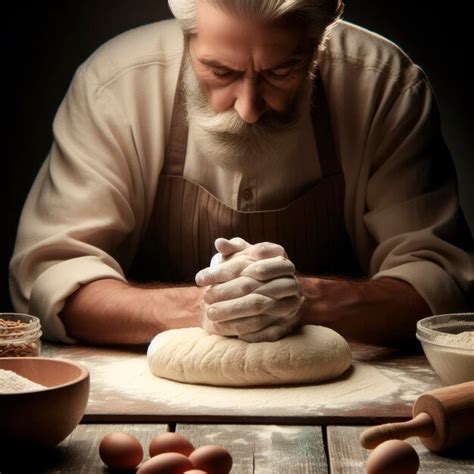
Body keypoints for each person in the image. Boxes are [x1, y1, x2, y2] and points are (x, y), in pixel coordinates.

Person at [9, 0, 473, 346]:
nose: (248, 109)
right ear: (186, 34)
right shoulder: (114, 85)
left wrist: (303, 299)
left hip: (339, 377)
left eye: (281, 72)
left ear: (322, 34)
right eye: (219, 71)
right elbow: (53, 279)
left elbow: (441, 289)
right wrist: (205, 306)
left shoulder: (384, 85)